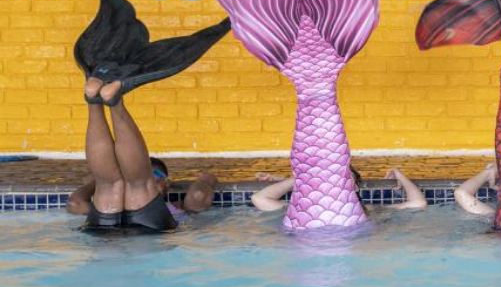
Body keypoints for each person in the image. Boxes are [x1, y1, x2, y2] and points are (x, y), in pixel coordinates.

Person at [67, 81, 219, 230]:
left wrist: (98, 181)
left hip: (106, 234)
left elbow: (198, 195)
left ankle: (93, 100)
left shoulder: (179, 207)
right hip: (147, 228)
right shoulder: (175, 209)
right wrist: (207, 179)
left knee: (107, 185)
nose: (153, 177)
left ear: (167, 183)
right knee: (134, 184)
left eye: (156, 174)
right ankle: (113, 101)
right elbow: (75, 203)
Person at [252, 166, 425, 212]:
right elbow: (259, 199)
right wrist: (300, 178)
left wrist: (399, 174)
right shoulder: (304, 211)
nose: (336, 180)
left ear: (355, 186)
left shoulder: (371, 211)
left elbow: (418, 203)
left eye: (343, 175)